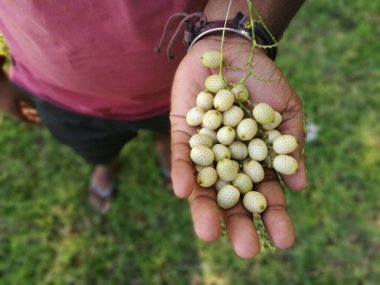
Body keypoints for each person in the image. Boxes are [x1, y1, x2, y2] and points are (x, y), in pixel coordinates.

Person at [0, 0, 307, 259]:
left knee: (174, 134)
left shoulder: (208, 105)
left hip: (178, 86)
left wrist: (235, 29)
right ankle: (105, 163)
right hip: (60, 95)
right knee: (94, 146)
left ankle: (161, 149)